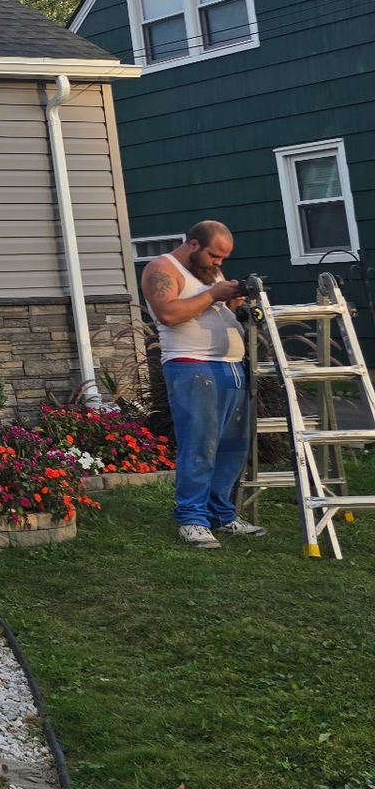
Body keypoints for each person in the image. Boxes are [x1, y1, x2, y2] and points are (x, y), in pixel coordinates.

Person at [141, 220, 267, 547]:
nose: (218, 263)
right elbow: (168, 313)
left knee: (232, 446)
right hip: (191, 364)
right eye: (214, 255)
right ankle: (192, 519)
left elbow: (214, 309)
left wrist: (232, 301)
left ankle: (222, 513)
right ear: (194, 244)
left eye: (223, 259)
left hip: (230, 365)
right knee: (200, 444)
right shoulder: (162, 268)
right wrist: (213, 294)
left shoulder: (211, 273)